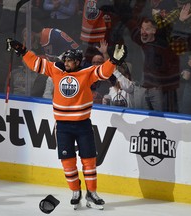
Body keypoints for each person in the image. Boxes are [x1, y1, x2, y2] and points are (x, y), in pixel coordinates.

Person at [7, 37, 127, 209]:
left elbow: (103, 72)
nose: (66, 63)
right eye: (65, 60)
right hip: (63, 126)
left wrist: (113, 60)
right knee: (68, 161)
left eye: (69, 61)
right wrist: (23, 51)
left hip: (83, 124)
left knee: (89, 160)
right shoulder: (56, 69)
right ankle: (75, 191)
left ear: (78, 62)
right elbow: (36, 64)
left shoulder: (86, 73)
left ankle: (91, 194)